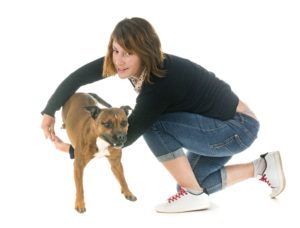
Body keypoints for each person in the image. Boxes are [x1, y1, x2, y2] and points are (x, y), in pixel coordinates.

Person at [41, 17, 286, 213]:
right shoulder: (128, 64)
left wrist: (73, 150)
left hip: (235, 129)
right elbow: (77, 78)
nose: (119, 60)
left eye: (128, 53)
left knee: (154, 124)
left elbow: (126, 136)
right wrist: (49, 111)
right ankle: (263, 166)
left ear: (145, 52)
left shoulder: (159, 82)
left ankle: (193, 196)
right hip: (220, 127)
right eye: (115, 50)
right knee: (191, 183)